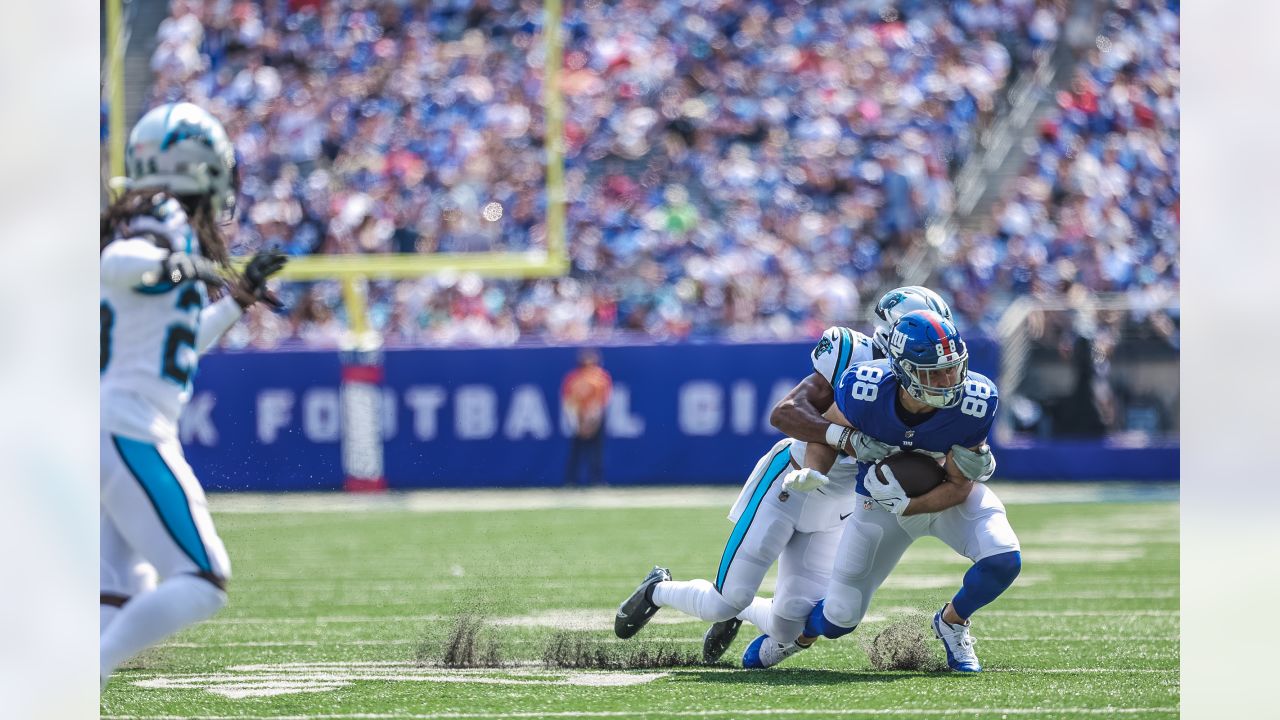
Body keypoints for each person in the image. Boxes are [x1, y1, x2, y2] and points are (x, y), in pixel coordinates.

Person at [613, 288, 955, 663]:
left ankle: (740, 613)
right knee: (721, 602)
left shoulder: (942, 385)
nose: (939, 363)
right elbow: (785, 413)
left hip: (838, 505)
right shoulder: (853, 355)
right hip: (791, 485)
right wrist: (843, 437)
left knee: (788, 625)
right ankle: (657, 589)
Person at [100, 102, 287, 687]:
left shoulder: (167, 229)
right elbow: (115, 262)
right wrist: (177, 265)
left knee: (120, 595)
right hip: (127, 426)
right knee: (204, 578)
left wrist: (235, 300)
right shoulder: (159, 223)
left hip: (117, 423)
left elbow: (178, 343)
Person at [741, 310, 1021, 672]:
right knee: (840, 618)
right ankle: (796, 638)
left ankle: (952, 621)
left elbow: (957, 485)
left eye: (953, 367)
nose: (949, 379)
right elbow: (825, 433)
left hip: (937, 497)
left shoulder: (976, 400)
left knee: (1004, 558)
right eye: (935, 371)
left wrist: (912, 504)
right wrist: (814, 469)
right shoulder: (864, 389)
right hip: (878, 502)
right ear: (903, 369)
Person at [561, 349, 612, 486]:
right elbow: (569, 402)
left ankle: (592, 480)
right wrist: (579, 424)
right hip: (582, 418)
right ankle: (576, 480)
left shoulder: (598, 378)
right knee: (581, 452)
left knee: (594, 452)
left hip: (589, 418)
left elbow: (599, 403)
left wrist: (585, 424)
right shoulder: (579, 378)